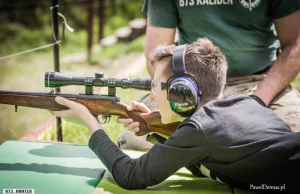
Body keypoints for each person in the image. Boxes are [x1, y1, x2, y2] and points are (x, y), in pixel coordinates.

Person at [50, 38, 300, 192]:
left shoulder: (201, 129)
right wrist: (156, 127)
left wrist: (91, 124)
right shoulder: (245, 103)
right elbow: (206, 157)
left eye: (155, 86)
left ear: (182, 91)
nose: (152, 93)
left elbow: (130, 175)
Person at [117, 0, 300, 150]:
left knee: (293, 141)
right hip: (191, 88)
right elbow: (155, 58)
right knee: (134, 139)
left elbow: (295, 45)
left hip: (261, 84)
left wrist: (257, 101)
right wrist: (184, 104)